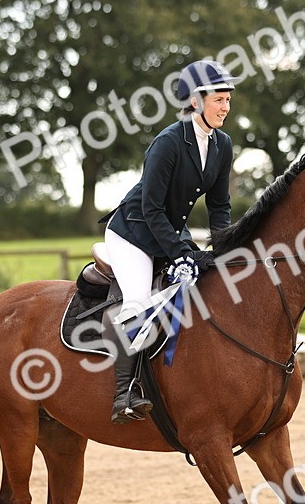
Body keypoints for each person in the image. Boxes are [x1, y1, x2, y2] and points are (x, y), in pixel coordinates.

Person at [98, 59, 238, 423]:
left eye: (227, 99)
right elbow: (151, 208)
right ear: (195, 101)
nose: (225, 107)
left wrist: (222, 247)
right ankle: (124, 394)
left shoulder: (222, 145)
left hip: (170, 232)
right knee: (138, 303)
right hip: (133, 232)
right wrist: (180, 253)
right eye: (219, 99)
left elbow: (219, 206)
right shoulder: (168, 142)